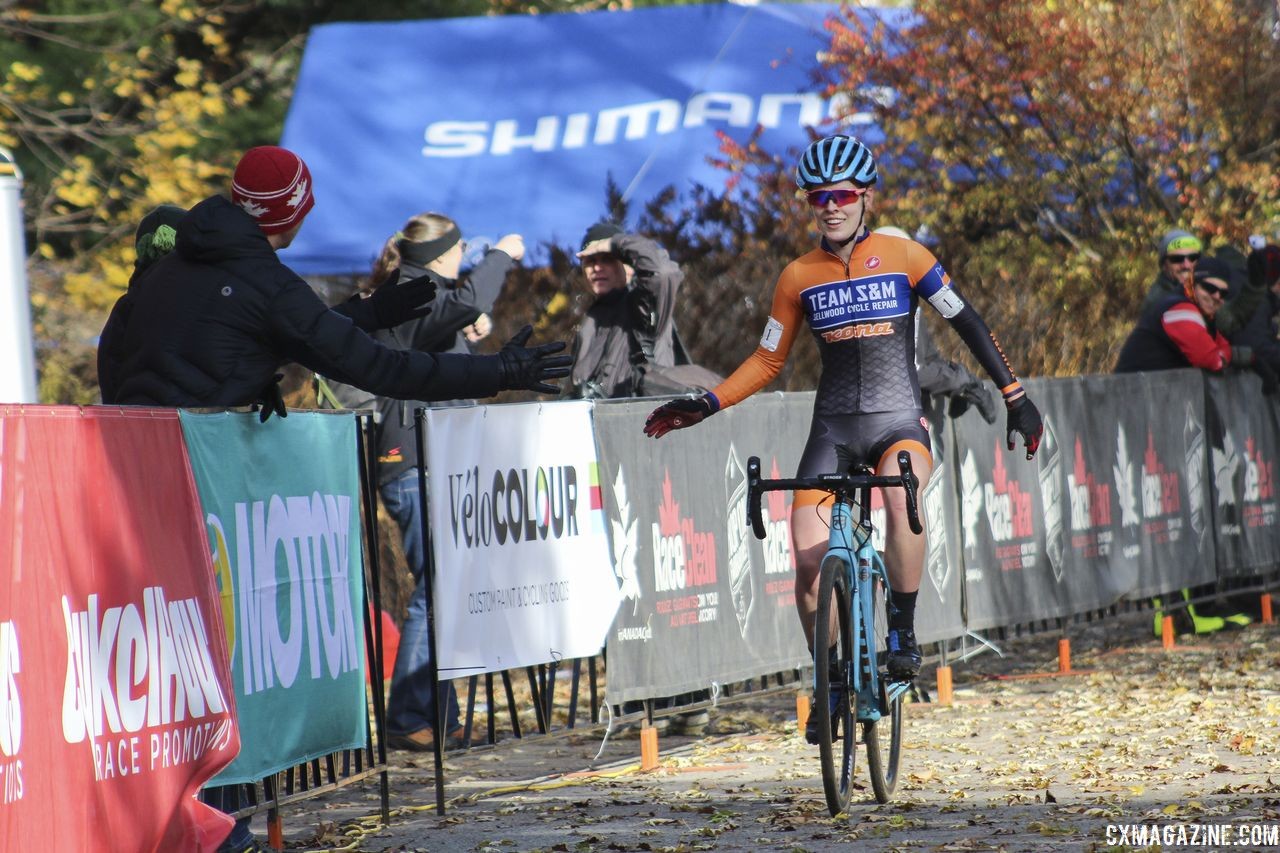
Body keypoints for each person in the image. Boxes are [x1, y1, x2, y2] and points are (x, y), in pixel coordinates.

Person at [100, 146, 570, 853]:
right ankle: (217, 827)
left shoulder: (170, 269)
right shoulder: (262, 279)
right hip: (199, 489)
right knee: (213, 664)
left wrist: (370, 309)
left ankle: (193, 820)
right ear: (295, 213)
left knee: (167, 670)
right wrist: (502, 367)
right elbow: (373, 367)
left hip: (118, 486)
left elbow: (251, 339)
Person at [643, 134, 1043, 744]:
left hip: (898, 421)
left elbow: (968, 322)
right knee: (806, 563)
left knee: (901, 497)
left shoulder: (906, 257)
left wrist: (1015, 396)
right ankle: (830, 680)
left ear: (865, 198)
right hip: (832, 431)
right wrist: (706, 403)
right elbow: (768, 360)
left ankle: (903, 633)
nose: (831, 206)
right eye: (818, 197)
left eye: (844, 195)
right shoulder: (798, 275)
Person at [322, 213, 527, 752]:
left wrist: (465, 327)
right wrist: (501, 254)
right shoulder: (414, 291)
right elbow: (463, 301)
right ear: (444, 253)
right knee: (437, 589)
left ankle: (440, 716)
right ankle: (409, 714)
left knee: (445, 588)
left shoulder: (419, 293)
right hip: (415, 460)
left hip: (431, 458)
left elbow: (445, 343)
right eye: (463, 249)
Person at [569, 221, 718, 399]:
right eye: (590, 261)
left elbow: (662, 273)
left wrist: (615, 244)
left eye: (607, 259)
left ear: (628, 266)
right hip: (604, 424)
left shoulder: (643, 304)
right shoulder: (588, 325)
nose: (597, 268)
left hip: (648, 420)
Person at [874, 226, 996, 425]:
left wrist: (960, 382)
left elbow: (915, 369)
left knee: (916, 368)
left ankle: (965, 382)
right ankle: (964, 383)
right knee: (926, 361)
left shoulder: (902, 294)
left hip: (904, 414)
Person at [1139, 230, 1267, 338]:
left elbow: (1229, 321)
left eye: (1193, 258)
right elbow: (1192, 346)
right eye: (1176, 259)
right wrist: (1234, 355)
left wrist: (1255, 285)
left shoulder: (1197, 291)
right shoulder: (1160, 301)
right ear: (1164, 266)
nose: (1187, 265)